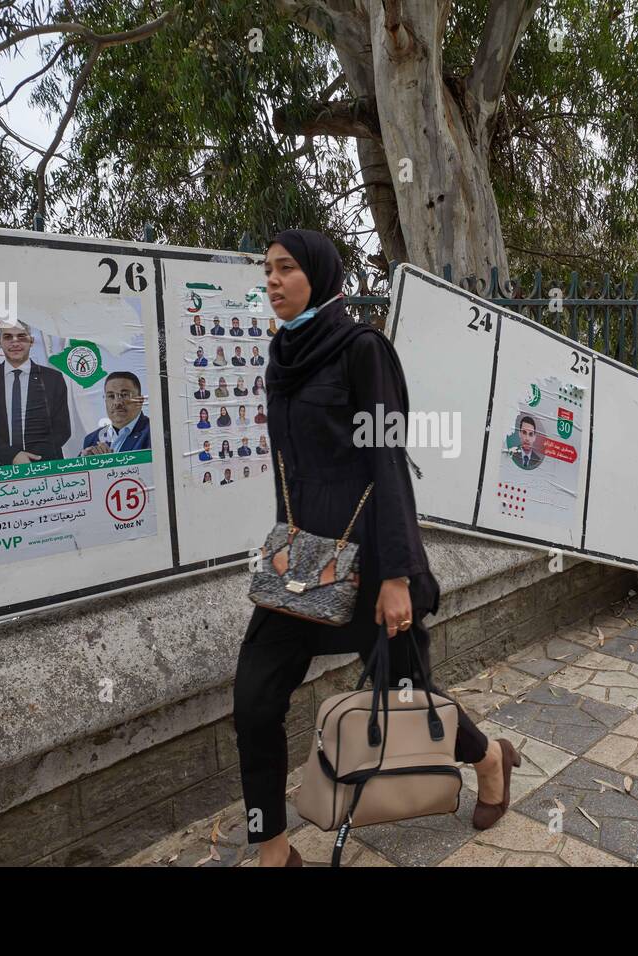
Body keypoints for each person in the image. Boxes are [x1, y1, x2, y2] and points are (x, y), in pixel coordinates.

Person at [233, 229, 510, 868]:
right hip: (301, 566)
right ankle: (271, 845)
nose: (271, 280)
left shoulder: (363, 352)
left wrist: (396, 576)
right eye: (267, 270)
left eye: (285, 269)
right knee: (253, 702)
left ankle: (490, 757)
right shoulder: (282, 356)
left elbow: (387, 463)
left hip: (371, 563)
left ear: (321, 277)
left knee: (410, 692)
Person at [0, 322, 71, 467]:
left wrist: (29, 459)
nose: (15, 342)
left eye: (21, 336)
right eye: (8, 337)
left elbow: (62, 429)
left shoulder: (53, 378)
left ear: (32, 341)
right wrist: (12, 456)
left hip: (45, 465)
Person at [81, 371, 151, 455]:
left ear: (140, 400)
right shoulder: (91, 439)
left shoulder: (154, 432)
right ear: (105, 400)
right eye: (111, 396)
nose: (117, 402)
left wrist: (109, 464)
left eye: (125, 395)